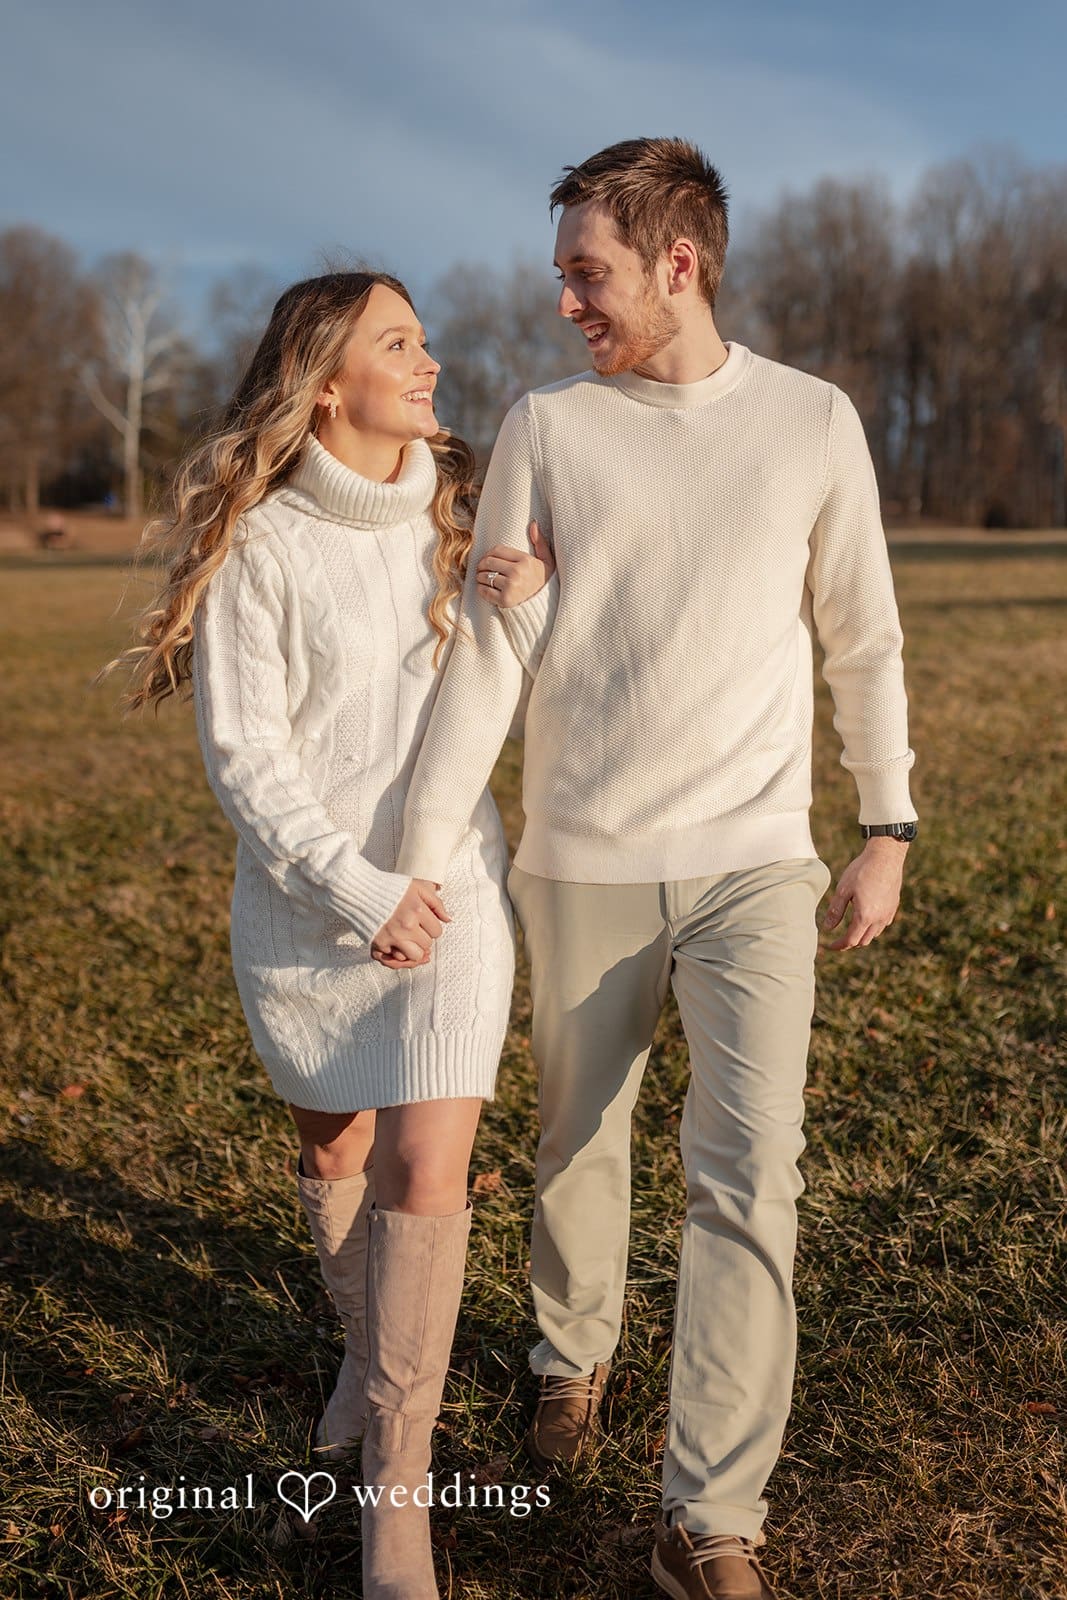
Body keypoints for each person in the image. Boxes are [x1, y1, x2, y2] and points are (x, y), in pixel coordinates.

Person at [391, 140, 918, 1600]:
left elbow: (860, 635)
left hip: (756, 856)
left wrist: (887, 824)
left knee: (753, 1176)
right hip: (585, 854)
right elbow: (494, 666)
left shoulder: (813, 422)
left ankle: (709, 1519)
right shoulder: (545, 426)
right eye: (565, 273)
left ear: (677, 262)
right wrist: (419, 863)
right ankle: (572, 1357)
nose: (566, 301)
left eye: (588, 272)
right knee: (580, 1136)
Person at [105, 270, 551, 1600]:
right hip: (310, 922)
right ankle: (370, 1352)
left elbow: (503, 689)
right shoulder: (267, 549)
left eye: (422, 340)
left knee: (428, 1171)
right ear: (326, 382)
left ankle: (394, 1502)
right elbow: (249, 759)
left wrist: (526, 600)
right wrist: (358, 892)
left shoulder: (467, 519)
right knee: (342, 1156)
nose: (430, 362)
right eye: (398, 344)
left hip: (455, 903)